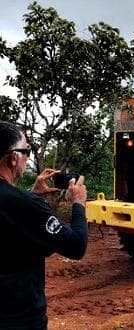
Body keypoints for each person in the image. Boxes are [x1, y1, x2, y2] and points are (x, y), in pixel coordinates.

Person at [0, 121, 88, 329]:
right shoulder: (25, 205)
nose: (27, 156)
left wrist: (30, 195)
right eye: (27, 151)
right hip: (20, 320)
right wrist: (78, 204)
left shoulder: (22, 203)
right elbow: (76, 246)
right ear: (14, 158)